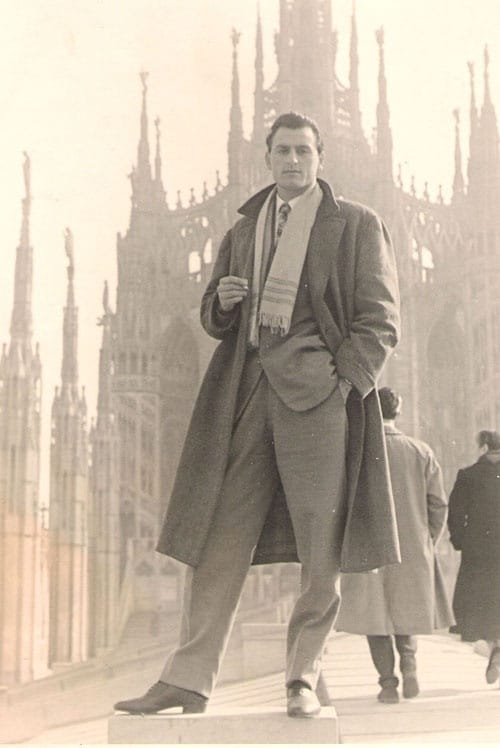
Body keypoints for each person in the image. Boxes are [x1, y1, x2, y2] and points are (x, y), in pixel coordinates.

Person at [114, 111, 401, 718]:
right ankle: (188, 678)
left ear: (320, 158)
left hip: (318, 401)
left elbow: (380, 321)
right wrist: (218, 303)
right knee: (219, 538)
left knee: (322, 547)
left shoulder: (355, 224)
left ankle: (302, 676)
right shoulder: (245, 229)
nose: (292, 161)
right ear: (266, 158)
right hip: (247, 396)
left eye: (303, 151)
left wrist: (341, 387)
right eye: (282, 152)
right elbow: (214, 317)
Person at [335, 387, 453, 703]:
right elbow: (438, 504)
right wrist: (427, 538)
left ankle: (387, 683)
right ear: (398, 411)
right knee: (406, 609)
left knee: (375, 616)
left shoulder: (355, 451)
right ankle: (410, 667)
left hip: (368, 546)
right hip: (412, 546)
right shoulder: (421, 451)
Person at [448, 429, 500, 686]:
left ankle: (494, 647)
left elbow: (455, 515)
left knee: (483, 604)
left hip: (478, 553)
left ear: (484, 447)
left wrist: (460, 542)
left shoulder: (467, 476)